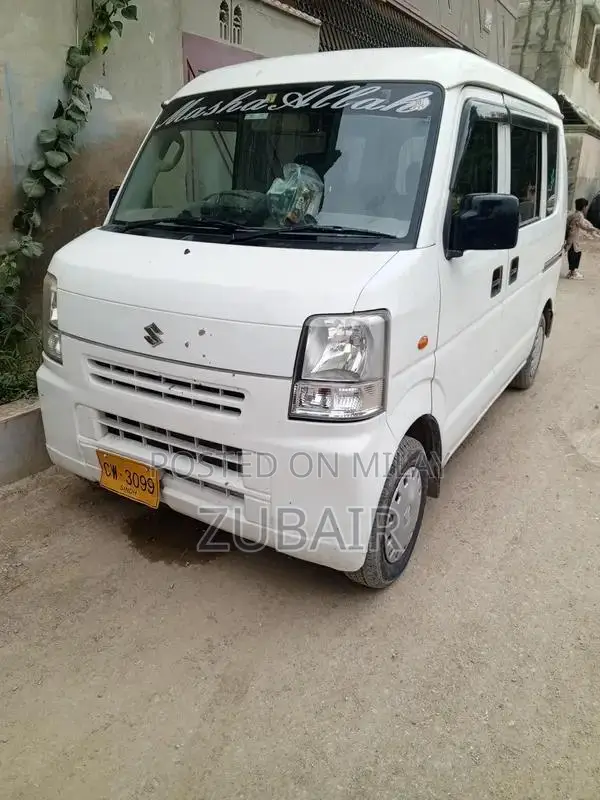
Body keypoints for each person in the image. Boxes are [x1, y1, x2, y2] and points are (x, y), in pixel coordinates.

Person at [564, 197, 600, 279]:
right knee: (575, 254)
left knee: (574, 254)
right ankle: (573, 273)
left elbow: (585, 223)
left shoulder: (574, 214)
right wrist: (593, 229)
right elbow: (583, 226)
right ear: (584, 207)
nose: (586, 208)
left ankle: (571, 272)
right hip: (573, 240)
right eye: (586, 207)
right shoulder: (579, 215)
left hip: (572, 239)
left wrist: (592, 227)